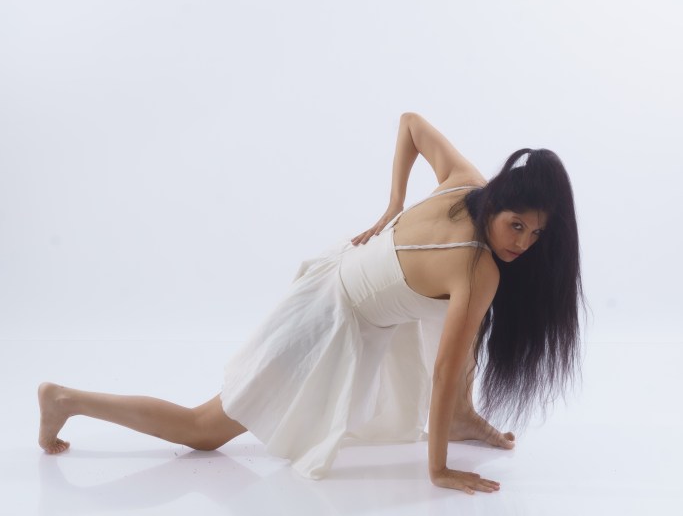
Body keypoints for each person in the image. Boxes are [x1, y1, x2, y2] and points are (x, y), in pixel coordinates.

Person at [38, 112, 585, 495]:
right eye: (516, 226)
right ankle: (66, 399)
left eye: (536, 234)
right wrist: (437, 469)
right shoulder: (476, 268)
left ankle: (462, 418)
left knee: (464, 317)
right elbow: (443, 370)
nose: (523, 243)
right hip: (328, 323)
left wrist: (395, 205)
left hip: (349, 280)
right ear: (497, 204)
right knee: (203, 430)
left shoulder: (464, 183)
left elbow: (410, 123)